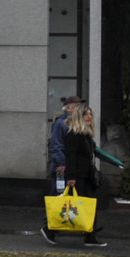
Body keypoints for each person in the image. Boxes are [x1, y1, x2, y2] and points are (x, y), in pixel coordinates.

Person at [43, 102, 106, 246]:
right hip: (77, 176)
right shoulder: (74, 134)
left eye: (90, 114)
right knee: (67, 204)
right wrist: (70, 177)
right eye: (85, 114)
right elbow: (70, 156)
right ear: (79, 116)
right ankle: (49, 229)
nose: (89, 117)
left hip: (86, 175)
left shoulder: (86, 135)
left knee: (90, 204)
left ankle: (90, 235)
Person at [47, 95, 83, 187]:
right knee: (59, 195)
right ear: (68, 109)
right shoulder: (61, 123)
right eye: (76, 106)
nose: (79, 109)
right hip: (62, 167)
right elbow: (56, 145)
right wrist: (61, 164)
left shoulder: (77, 123)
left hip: (71, 167)